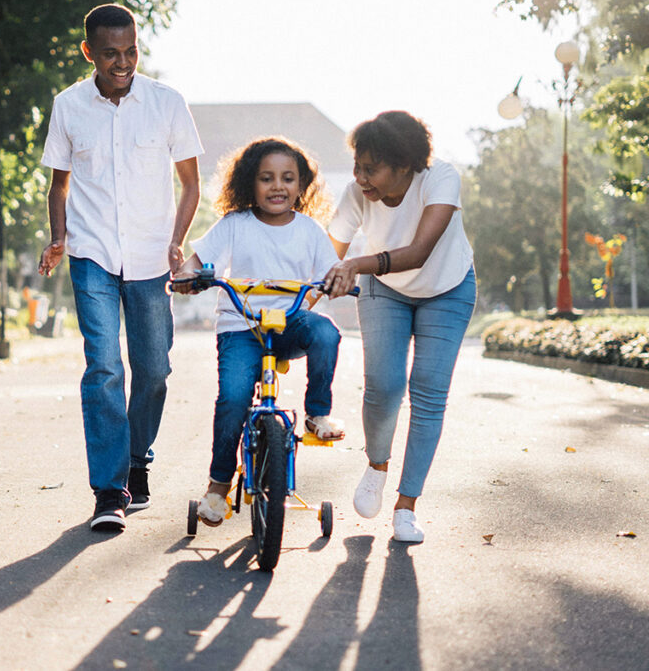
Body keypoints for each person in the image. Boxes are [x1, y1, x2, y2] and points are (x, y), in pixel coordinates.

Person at [37, 3, 203, 531]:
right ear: (89, 52)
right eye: (111, 54)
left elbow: (191, 183)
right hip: (92, 255)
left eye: (130, 51)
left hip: (152, 257)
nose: (123, 62)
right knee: (104, 367)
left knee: (153, 371)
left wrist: (178, 242)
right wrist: (59, 239)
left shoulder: (167, 103)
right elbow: (59, 183)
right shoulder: (68, 106)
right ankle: (109, 491)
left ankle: (137, 461)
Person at [323, 111, 476, 544]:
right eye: (357, 165)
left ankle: (406, 506)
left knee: (428, 390)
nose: (360, 177)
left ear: (404, 165)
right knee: (384, 385)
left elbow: (420, 251)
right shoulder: (357, 194)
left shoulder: (439, 179)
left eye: (370, 168)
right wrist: (302, 296)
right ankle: (376, 465)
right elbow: (326, 255)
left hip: (447, 287)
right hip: (384, 290)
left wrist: (354, 264)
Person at [174, 137, 344, 527]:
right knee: (233, 398)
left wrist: (336, 282)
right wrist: (188, 275)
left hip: (288, 324)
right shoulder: (235, 225)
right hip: (241, 327)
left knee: (327, 334)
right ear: (251, 183)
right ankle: (218, 486)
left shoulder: (310, 231)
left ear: (301, 186)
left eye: (288, 178)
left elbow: (330, 272)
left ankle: (317, 414)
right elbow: (197, 261)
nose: (278, 186)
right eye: (267, 178)